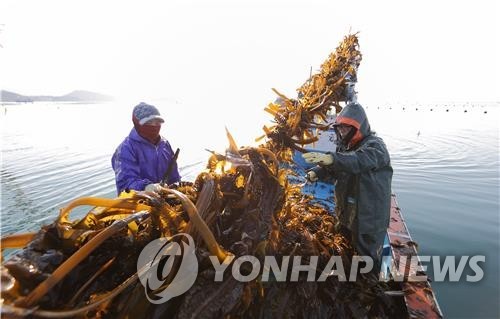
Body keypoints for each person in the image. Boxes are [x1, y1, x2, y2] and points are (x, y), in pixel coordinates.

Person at [302, 102, 392, 272]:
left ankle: (368, 285)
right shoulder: (345, 145)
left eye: (346, 128)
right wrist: (318, 172)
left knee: (367, 262)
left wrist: (332, 159)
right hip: (346, 212)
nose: (342, 132)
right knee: (342, 249)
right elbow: (340, 166)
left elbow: (357, 161)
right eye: (340, 128)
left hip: (368, 219)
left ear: (358, 127)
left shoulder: (375, 146)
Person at [112, 102, 181, 194]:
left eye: (157, 122)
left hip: (168, 199)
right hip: (140, 202)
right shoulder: (126, 149)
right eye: (149, 122)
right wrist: (147, 187)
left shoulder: (164, 144)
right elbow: (125, 185)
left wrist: (178, 187)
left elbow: (174, 176)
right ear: (137, 123)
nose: (154, 126)